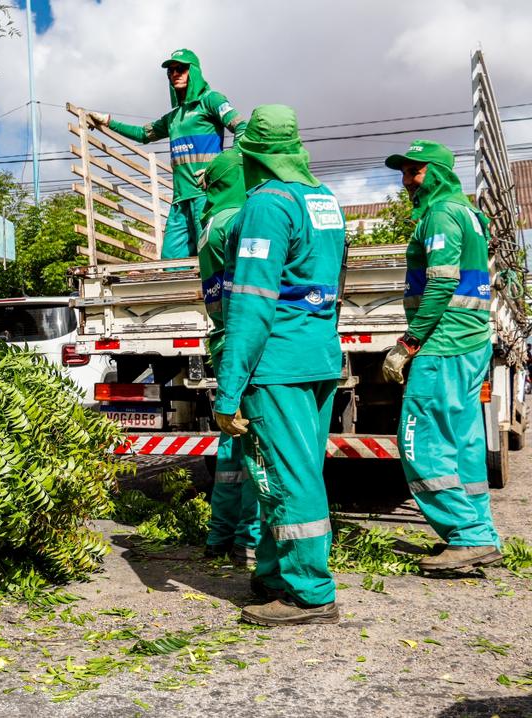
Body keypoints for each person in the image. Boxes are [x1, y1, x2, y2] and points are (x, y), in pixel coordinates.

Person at [213, 105, 345, 626]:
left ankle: (308, 594)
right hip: (318, 356)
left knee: (285, 477)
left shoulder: (267, 204)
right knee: (292, 471)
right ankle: (273, 574)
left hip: (278, 362)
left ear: (252, 156)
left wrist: (227, 392)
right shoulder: (324, 200)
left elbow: (250, 304)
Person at [381, 140, 501, 571]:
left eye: (415, 172)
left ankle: (465, 535)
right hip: (471, 342)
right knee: (464, 445)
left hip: (445, 345)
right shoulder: (467, 212)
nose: (407, 182)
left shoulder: (441, 214)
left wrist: (408, 343)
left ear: (437, 172)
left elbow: (441, 284)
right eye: (404, 173)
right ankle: (482, 534)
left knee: (419, 444)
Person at [87, 49, 246, 259]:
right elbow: (143, 134)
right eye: (171, 71)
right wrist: (108, 121)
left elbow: (242, 127)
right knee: (171, 261)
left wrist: (223, 165)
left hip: (206, 197)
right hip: (181, 200)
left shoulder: (211, 100)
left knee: (210, 259)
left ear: (194, 72)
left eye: (181, 69)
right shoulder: (173, 118)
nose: (175, 74)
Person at [197, 148, 260, 565]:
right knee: (257, 444)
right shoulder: (239, 221)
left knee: (231, 444)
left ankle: (220, 535)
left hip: (221, 338)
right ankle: (250, 538)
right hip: (243, 341)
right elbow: (255, 290)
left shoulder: (209, 222)